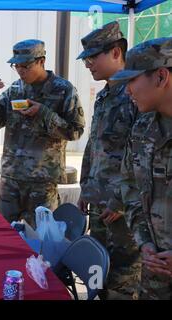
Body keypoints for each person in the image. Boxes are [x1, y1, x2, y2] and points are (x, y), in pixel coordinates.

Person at [0, 39, 85, 226]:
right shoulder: (15, 89)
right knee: (2, 235)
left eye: (26, 65)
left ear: (41, 61)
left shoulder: (63, 90)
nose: (21, 70)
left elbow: (76, 131)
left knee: (42, 240)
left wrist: (44, 113)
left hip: (42, 181)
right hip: (11, 178)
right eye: (17, 66)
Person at [76, 21, 141, 300]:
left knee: (122, 284)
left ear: (116, 52)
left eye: (93, 57)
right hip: (99, 203)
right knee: (99, 278)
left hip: (123, 209)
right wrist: (85, 186)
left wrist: (122, 200)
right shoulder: (104, 96)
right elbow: (95, 145)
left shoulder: (137, 94)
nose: (88, 64)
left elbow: (141, 156)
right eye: (86, 59)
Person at [110, 37, 172, 300]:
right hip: (155, 276)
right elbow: (130, 186)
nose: (127, 91)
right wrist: (145, 242)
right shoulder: (143, 129)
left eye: (132, 81)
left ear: (160, 76)